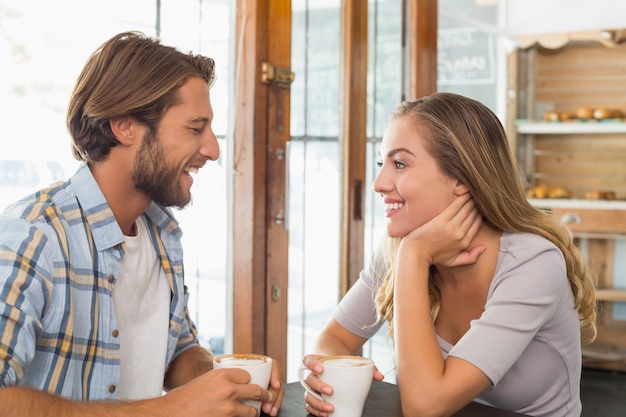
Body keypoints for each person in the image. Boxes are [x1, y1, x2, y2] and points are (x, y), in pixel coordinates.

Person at [0, 31, 283, 417]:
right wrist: (168, 409)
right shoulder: (34, 239)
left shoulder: (160, 233)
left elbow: (177, 349)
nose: (213, 149)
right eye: (194, 127)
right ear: (124, 126)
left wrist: (223, 379)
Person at [300, 92, 597, 417]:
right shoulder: (396, 249)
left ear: (460, 178)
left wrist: (414, 258)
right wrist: (332, 378)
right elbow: (334, 338)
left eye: (399, 164)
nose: (378, 183)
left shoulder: (532, 262)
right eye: (381, 163)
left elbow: (424, 406)